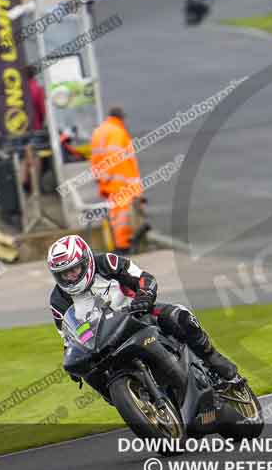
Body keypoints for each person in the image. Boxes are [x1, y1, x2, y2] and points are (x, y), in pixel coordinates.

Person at [48, 234, 238, 392]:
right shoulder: (58, 300)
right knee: (87, 371)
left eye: (74, 270)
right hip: (103, 342)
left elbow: (143, 278)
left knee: (178, 316)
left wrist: (144, 295)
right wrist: (73, 359)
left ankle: (212, 358)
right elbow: (69, 337)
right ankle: (128, 399)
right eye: (64, 274)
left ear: (86, 260)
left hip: (137, 315)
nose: (70, 277)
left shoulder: (106, 263)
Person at [90, 107, 143, 254]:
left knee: (116, 215)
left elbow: (95, 157)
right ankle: (123, 246)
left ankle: (121, 244)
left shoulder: (99, 131)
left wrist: (101, 178)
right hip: (119, 182)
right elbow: (115, 156)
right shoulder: (117, 132)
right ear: (121, 118)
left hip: (109, 182)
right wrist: (108, 176)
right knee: (122, 216)